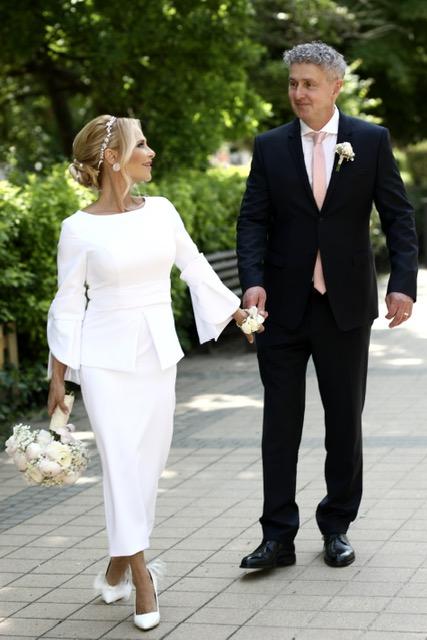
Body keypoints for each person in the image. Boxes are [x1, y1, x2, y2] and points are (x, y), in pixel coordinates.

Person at [46, 114, 254, 631]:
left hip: (158, 357)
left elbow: (195, 265)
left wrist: (238, 313)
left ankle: (116, 567)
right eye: (141, 144)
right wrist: (59, 379)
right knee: (120, 465)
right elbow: (67, 306)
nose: (151, 151)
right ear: (113, 158)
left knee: (147, 467)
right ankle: (142, 579)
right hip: (104, 361)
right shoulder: (78, 229)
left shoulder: (161, 210)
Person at [236, 42, 418, 570]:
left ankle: (336, 526)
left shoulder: (370, 139)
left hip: (346, 306)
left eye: (309, 84)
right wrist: (252, 281)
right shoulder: (270, 145)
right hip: (281, 308)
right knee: (279, 425)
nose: (298, 93)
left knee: (343, 422)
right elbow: (253, 220)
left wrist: (403, 284)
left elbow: (398, 217)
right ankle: (277, 536)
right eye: (293, 83)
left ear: (335, 87)